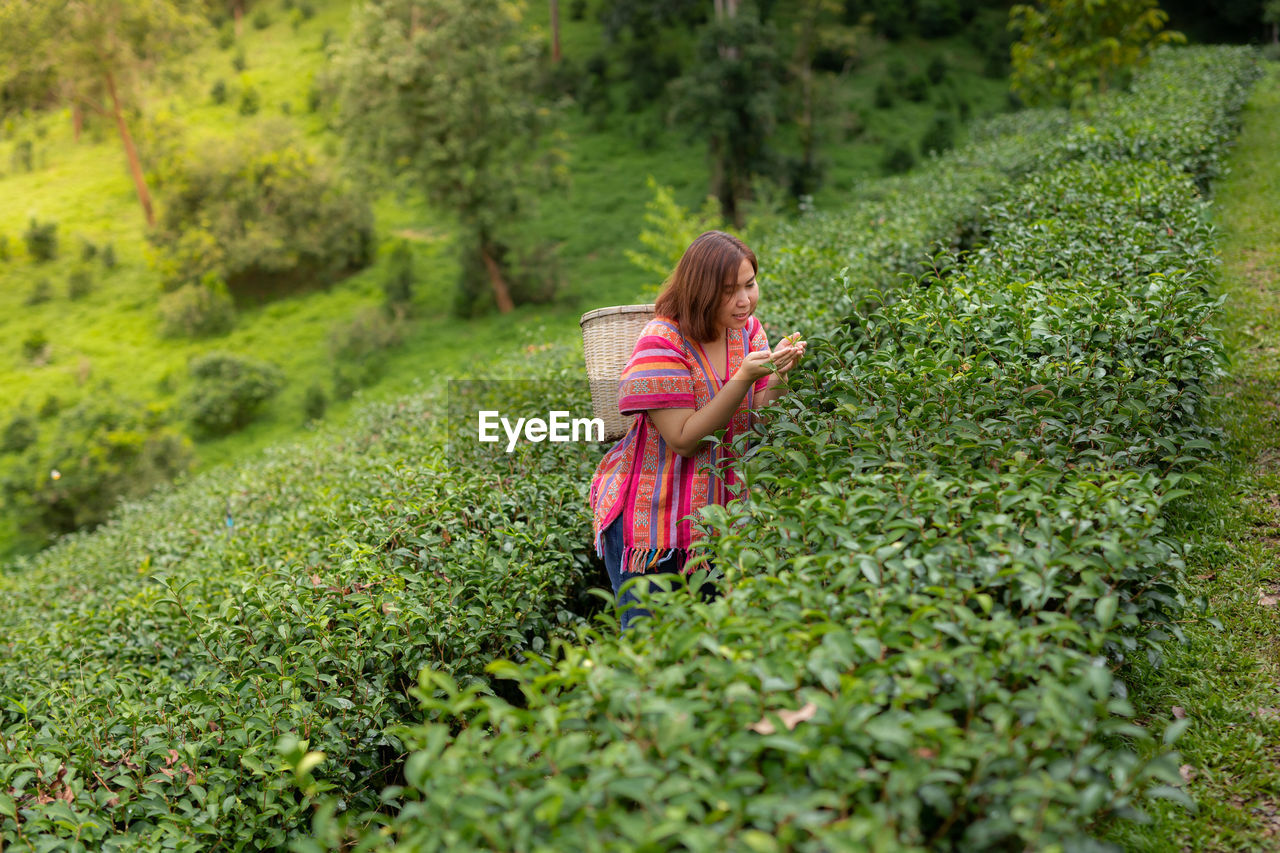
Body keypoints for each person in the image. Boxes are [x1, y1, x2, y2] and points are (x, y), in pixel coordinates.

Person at [588, 230, 806, 632]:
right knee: (653, 646)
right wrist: (742, 378)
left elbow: (756, 422)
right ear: (702, 291)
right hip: (651, 519)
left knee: (715, 643)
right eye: (729, 291)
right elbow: (684, 439)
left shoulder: (748, 330)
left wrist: (778, 374)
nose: (744, 300)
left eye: (750, 284)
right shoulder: (663, 341)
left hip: (716, 516)